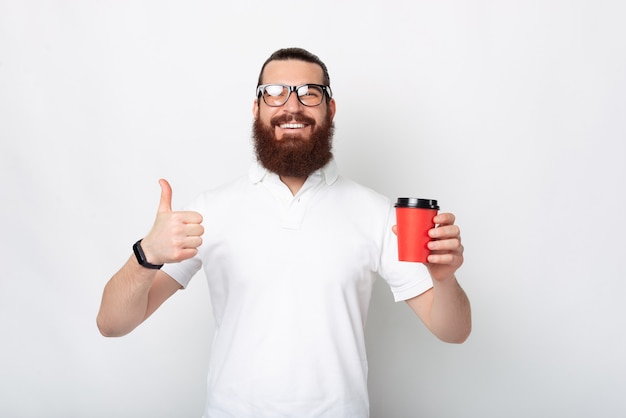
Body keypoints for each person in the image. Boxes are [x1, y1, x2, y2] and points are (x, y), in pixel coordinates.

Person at [97, 47, 471, 418]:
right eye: (274, 92)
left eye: (309, 93)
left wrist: (445, 280)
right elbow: (112, 324)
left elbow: (453, 330)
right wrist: (146, 254)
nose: (292, 107)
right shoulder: (211, 208)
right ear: (256, 108)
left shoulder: (375, 211)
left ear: (330, 109)